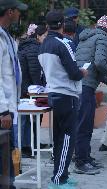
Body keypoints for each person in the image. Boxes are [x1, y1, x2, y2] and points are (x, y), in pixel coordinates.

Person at [38, 10, 88, 189]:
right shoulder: (62, 44)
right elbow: (74, 73)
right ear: (61, 25)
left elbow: (43, 74)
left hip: (53, 93)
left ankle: (61, 176)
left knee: (60, 138)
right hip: (67, 95)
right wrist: (82, 72)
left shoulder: (43, 45)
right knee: (67, 138)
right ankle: (59, 179)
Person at [74, 15, 107, 175]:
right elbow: (100, 63)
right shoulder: (102, 38)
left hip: (77, 84)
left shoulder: (85, 37)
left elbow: (95, 67)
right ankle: (81, 162)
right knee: (84, 125)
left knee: (83, 123)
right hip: (86, 87)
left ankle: (85, 157)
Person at [0, 0, 27, 188]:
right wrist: (3, 110)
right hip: (4, 109)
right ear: (9, 12)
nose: (20, 15)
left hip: (10, 105)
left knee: (9, 151)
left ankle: (10, 184)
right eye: (18, 11)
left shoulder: (7, 36)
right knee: (4, 153)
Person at [18, 24, 47, 157]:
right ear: (38, 36)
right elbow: (35, 71)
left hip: (25, 87)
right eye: (45, 36)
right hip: (29, 89)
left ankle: (33, 143)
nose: (46, 39)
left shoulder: (26, 46)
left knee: (30, 118)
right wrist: (40, 89)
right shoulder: (34, 49)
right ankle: (26, 147)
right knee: (29, 118)